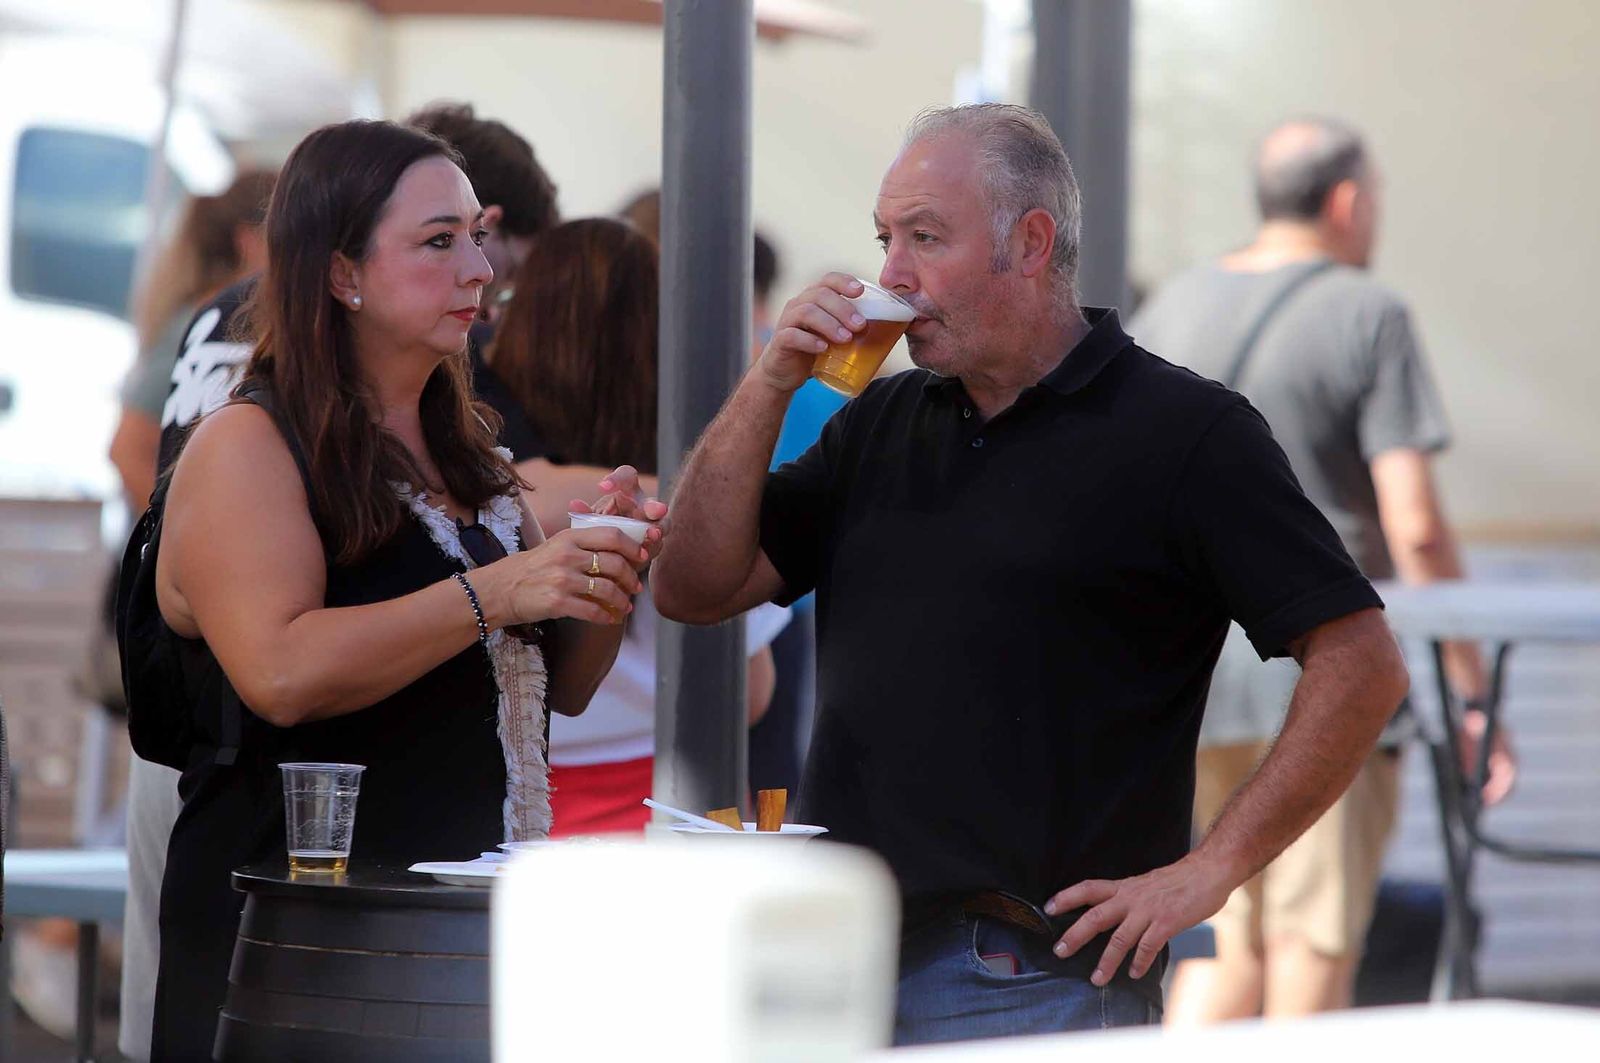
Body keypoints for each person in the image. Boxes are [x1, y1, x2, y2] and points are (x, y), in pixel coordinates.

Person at [648, 103, 1411, 1046]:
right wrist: (771, 381)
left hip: (1024, 970)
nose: (891, 275)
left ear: (1032, 242)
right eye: (887, 239)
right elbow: (692, 588)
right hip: (834, 952)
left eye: (926, 238)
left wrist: (1208, 871)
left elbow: (1362, 661)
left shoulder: (1186, 432)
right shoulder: (880, 422)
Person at [145, 120, 659, 1059]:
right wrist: (498, 590)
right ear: (341, 273)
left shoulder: (471, 451)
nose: (481, 268)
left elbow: (564, 690)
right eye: (439, 240)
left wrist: (602, 570)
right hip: (301, 960)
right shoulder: (248, 446)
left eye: (477, 235)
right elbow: (281, 670)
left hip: (457, 950)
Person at [1130, 117, 1516, 1021]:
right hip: (1319, 675)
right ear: (1347, 201)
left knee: (1216, 936)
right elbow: (1414, 525)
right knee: (1314, 938)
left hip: (1188, 678)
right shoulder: (1367, 311)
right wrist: (1471, 690)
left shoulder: (1171, 307)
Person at [488, 218, 787, 833]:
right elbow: (752, 695)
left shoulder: (491, 477)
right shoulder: (686, 472)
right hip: (664, 802)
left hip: (520, 798)